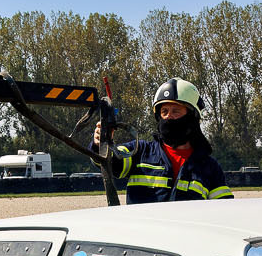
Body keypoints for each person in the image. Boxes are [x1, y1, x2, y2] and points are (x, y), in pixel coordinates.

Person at [95, 78, 235, 204]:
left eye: (175, 111)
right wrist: (100, 144)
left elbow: (224, 211)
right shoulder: (140, 151)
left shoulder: (210, 167)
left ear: (192, 117)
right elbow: (108, 160)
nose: (168, 117)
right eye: (164, 111)